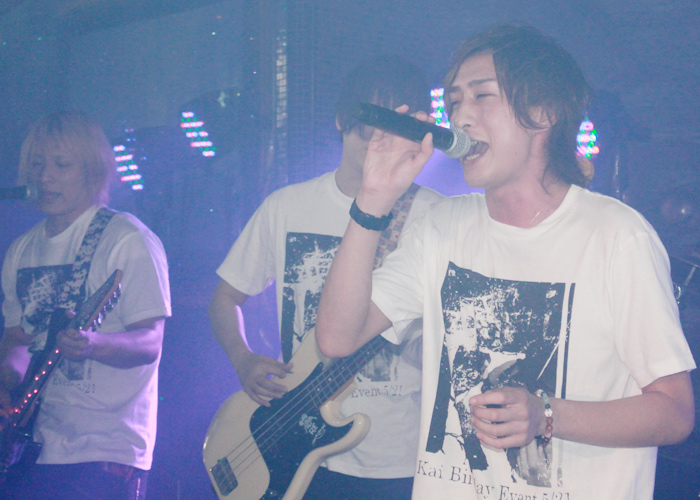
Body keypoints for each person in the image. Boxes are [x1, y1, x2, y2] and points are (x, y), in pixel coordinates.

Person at [316, 24, 696, 500]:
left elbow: (674, 413)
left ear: (544, 112)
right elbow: (337, 338)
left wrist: (546, 415)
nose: (461, 117)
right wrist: (372, 202)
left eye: (482, 96)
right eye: (454, 101)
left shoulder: (617, 235)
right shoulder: (442, 227)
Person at [208, 55, 443, 500]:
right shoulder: (286, 206)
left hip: (396, 457)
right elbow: (224, 298)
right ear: (341, 119)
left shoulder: (436, 216)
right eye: (370, 125)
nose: (380, 141)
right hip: (287, 442)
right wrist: (243, 359)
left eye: (397, 128)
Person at [0, 111, 171, 500]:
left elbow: (150, 342)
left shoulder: (125, 239)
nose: (45, 177)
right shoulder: (21, 250)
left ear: (94, 171)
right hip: (29, 447)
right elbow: (18, 341)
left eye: (61, 164)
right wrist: (6, 383)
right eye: (37, 165)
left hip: (104, 448)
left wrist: (95, 344)